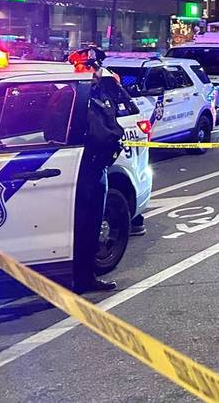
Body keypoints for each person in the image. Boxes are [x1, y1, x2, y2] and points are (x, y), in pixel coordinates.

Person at [73, 50, 123, 293]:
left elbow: (117, 117)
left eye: (94, 66)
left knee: (92, 225)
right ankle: (78, 277)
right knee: (81, 225)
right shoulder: (70, 96)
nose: (92, 71)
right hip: (79, 168)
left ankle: (86, 277)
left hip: (98, 166)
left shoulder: (103, 91)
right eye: (86, 66)